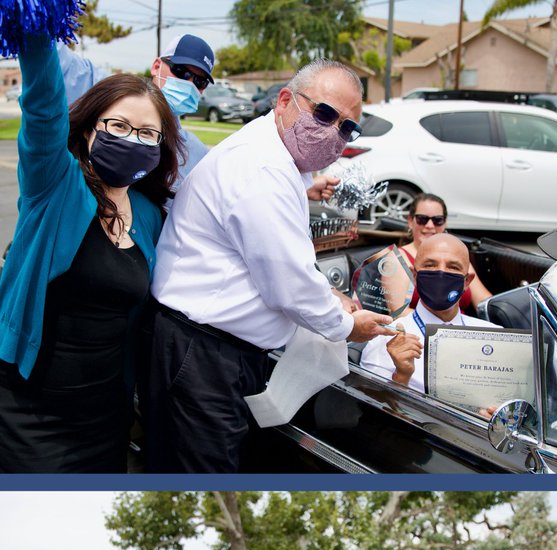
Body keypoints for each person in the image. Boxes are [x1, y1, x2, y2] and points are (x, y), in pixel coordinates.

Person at [145, 59, 393, 472]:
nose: (334, 132)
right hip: (203, 353)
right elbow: (289, 287)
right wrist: (349, 326)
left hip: (208, 348)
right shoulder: (261, 169)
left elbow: (274, 259)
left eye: (348, 128)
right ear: (284, 101)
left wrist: (325, 290)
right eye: (325, 114)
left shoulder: (274, 157)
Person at [0, 34, 179, 472]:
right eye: (118, 126)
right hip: (30, 410)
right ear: (87, 130)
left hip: (104, 418)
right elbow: (43, 106)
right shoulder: (55, 186)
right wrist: (37, 29)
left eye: (147, 134)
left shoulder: (150, 214)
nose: (133, 140)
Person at [58, 33, 215, 183]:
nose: (189, 83)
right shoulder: (106, 92)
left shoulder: (195, 152)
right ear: (156, 66)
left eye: (200, 81)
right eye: (181, 72)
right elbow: (50, 52)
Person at [360, 232, 498, 394]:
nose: (441, 273)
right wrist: (401, 377)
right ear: (414, 275)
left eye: (453, 267)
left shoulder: (494, 336)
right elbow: (376, 409)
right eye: (430, 265)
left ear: (467, 281)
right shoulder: (386, 340)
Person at [367, 193, 494, 317]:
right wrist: (446, 324)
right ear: (410, 221)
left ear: (445, 223)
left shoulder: (457, 254)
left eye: (437, 220)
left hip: (462, 331)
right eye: (422, 219)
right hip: (419, 333)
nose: (429, 226)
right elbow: (398, 313)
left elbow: (484, 301)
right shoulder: (396, 258)